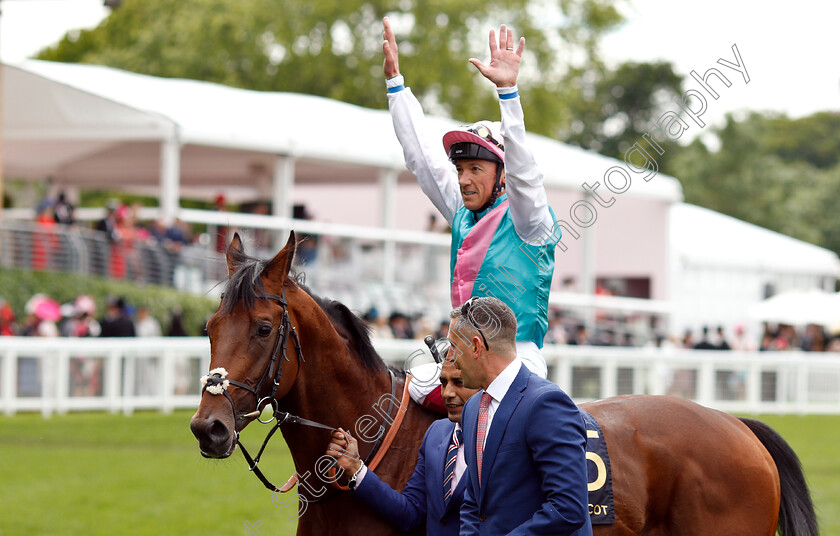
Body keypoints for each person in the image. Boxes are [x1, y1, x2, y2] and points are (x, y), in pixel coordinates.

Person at [382, 19, 558, 410]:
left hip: (516, 362)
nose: (463, 180)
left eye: (475, 169)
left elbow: (525, 171)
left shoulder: (529, 219)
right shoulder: (463, 211)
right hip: (461, 357)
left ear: (502, 174)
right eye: (460, 170)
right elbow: (422, 159)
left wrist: (508, 92)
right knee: (405, 393)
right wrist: (396, 87)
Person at [449, 297, 591, 535]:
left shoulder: (546, 404)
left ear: (475, 346)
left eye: (453, 347)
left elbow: (569, 507)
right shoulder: (473, 407)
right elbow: (474, 501)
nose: (450, 358)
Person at [325, 363, 479, 535]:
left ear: (483, 384)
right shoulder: (436, 433)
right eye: (443, 383)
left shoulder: (504, 437)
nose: (447, 393)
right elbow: (409, 512)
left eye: (459, 382)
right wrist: (356, 469)